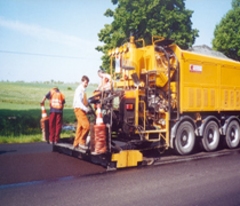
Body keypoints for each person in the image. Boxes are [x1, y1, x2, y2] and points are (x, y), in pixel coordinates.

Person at [73, 75, 90, 150]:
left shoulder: (83, 90)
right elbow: (79, 102)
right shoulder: (79, 90)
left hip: (81, 109)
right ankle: (82, 142)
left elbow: (84, 101)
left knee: (80, 128)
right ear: (82, 81)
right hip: (79, 109)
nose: (87, 84)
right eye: (85, 82)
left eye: (87, 82)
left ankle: (75, 144)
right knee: (87, 126)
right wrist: (85, 109)